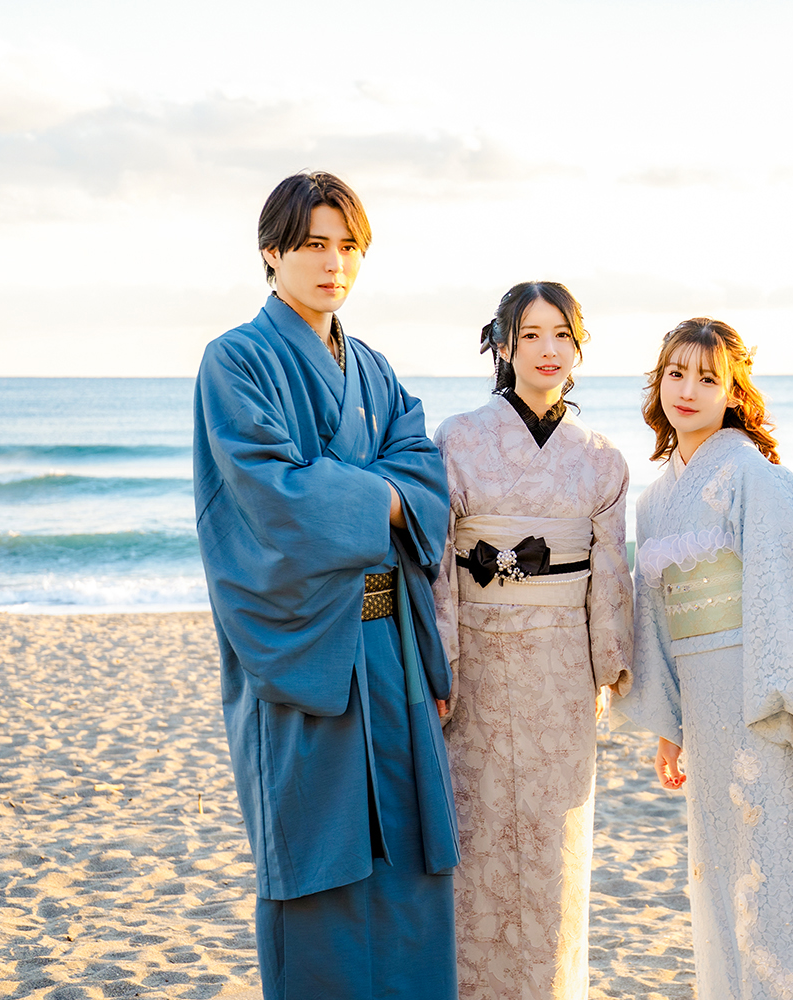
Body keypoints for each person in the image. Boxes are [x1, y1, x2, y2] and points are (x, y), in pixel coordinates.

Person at [192, 170, 459, 999]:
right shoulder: (236, 361)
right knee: (319, 850)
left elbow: (427, 477)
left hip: (391, 644)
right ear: (271, 252)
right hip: (306, 639)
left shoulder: (374, 368)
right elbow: (271, 495)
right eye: (313, 244)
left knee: (410, 849)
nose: (332, 263)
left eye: (349, 247)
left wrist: (367, 486)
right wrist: (380, 493)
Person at [613, 318, 793, 1000]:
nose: (688, 390)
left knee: (784, 886)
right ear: (658, 384)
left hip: (769, 708)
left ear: (733, 392)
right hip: (708, 715)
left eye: (708, 378)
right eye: (676, 374)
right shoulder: (655, 500)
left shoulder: (753, 475)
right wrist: (669, 724)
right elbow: (655, 616)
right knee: (722, 883)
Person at [430, 281, 633, 1000]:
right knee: (479, 843)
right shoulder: (457, 438)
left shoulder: (601, 459)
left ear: (579, 347)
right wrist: (441, 660)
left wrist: (609, 666)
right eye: (533, 335)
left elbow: (608, 573)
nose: (549, 350)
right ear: (503, 345)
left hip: (559, 671)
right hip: (478, 662)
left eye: (562, 336)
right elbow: (439, 558)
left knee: (556, 845)